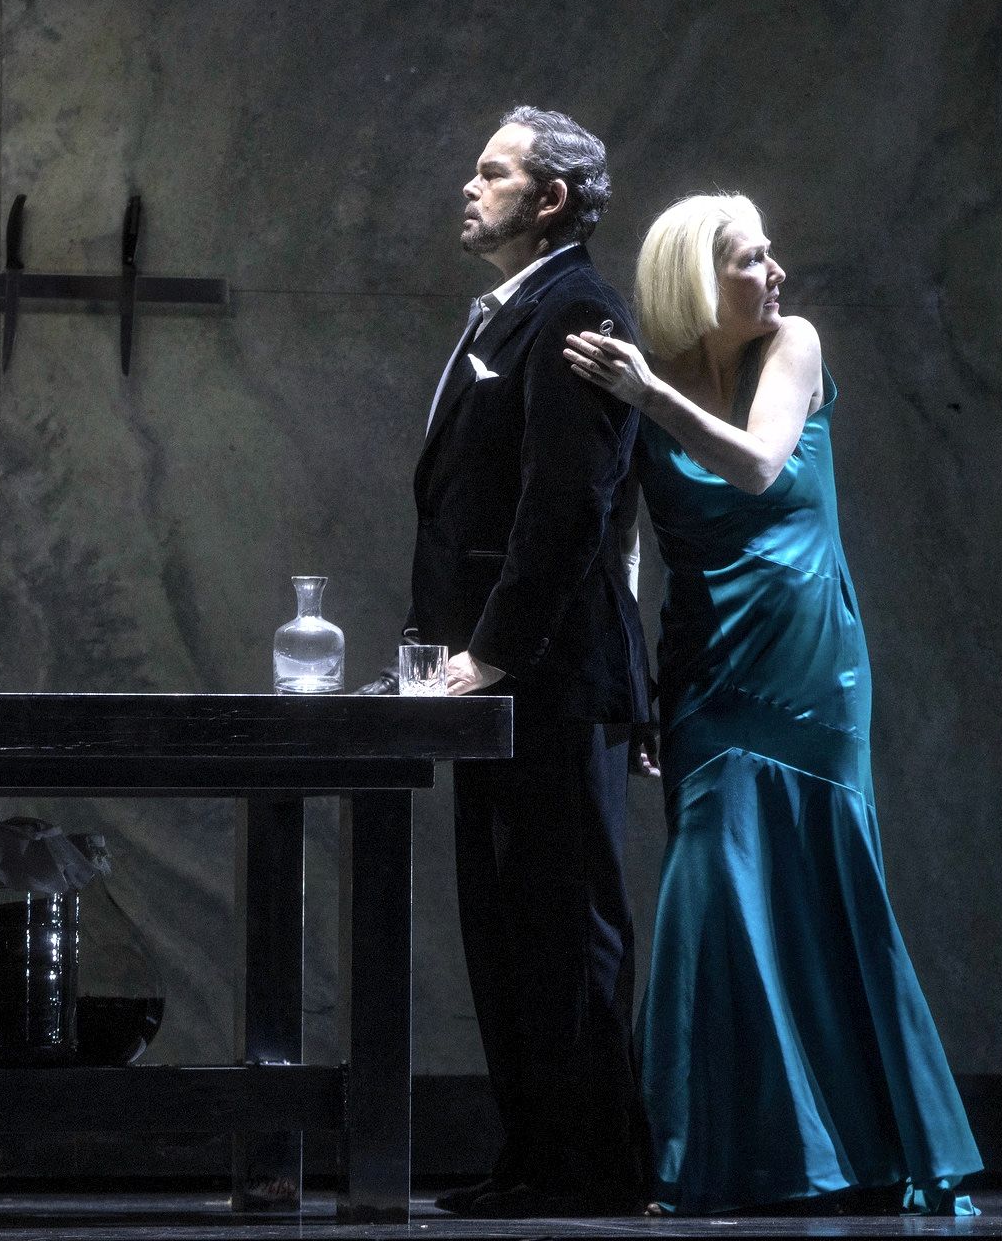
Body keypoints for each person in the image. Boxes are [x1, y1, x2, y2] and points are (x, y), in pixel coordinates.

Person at [564, 193, 983, 1216]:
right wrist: (641, 686)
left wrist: (646, 395)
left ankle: (867, 1147)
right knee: (712, 888)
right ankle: (711, 1150)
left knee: (821, 882)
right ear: (699, 285)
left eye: (766, 254)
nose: (776, 272)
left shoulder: (789, 345)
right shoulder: (645, 384)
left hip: (808, 661)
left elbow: (754, 466)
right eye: (751, 260)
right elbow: (630, 555)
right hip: (705, 658)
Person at [360, 107, 652, 1218]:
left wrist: (486, 656)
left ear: (551, 200)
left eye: (493, 171)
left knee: (559, 924)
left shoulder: (574, 308)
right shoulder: (512, 308)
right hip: (489, 687)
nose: (467, 186)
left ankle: (592, 1169)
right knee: (504, 926)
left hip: (546, 681)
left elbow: (565, 509)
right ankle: (535, 1157)